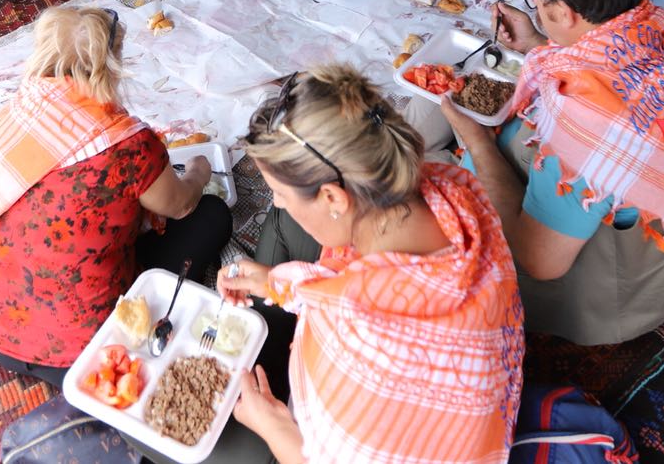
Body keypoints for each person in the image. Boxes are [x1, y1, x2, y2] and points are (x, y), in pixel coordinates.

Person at [220, 64, 524, 464]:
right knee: (280, 228)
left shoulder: (358, 340)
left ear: (333, 199)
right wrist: (278, 283)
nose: (276, 202)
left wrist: (274, 427)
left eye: (279, 192)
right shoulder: (448, 189)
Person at [440, 0, 664, 345]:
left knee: (433, 175)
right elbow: (609, 65)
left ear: (563, 11)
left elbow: (540, 259)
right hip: (630, 204)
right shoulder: (661, 27)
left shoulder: (586, 116)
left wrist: (472, 136)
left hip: (595, 281)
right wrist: (536, 43)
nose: (534, 7)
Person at [0, 5, 232, 387]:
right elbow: (179, 204)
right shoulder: (126, 143)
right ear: (111, 66)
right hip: (89, 348)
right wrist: (200, 172)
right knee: (210, 215)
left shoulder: (12, 114)